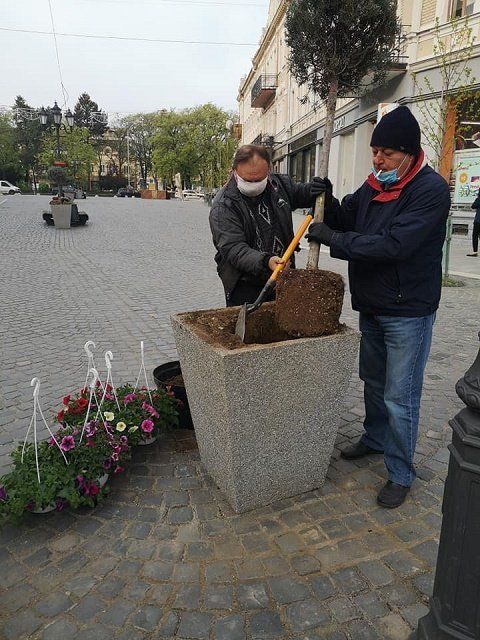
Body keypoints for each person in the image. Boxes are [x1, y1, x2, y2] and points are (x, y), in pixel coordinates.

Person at [306, 106, 451, 508]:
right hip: (372, 304)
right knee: (372, 380)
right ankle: (374, 437)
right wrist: (327, 198)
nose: (377, 160)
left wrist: (332, 238)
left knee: (400, 396)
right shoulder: (374, 186)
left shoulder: (430, 190)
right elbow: (346, 218)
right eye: (374, 151)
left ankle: (401, 473)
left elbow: (393, 245)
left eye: (386, 153)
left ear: (408, 153)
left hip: (409, 311)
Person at [209, 144, 324, 306]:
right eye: (248, 180)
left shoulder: (278, 184)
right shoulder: (223, 206)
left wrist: (316, 190)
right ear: (234, 171)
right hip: (245, 284)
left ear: (268, 171)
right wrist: (266, 261)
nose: (254, 184)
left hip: (283, 276)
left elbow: (300, 194)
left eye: (259, 180)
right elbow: (234, 249)